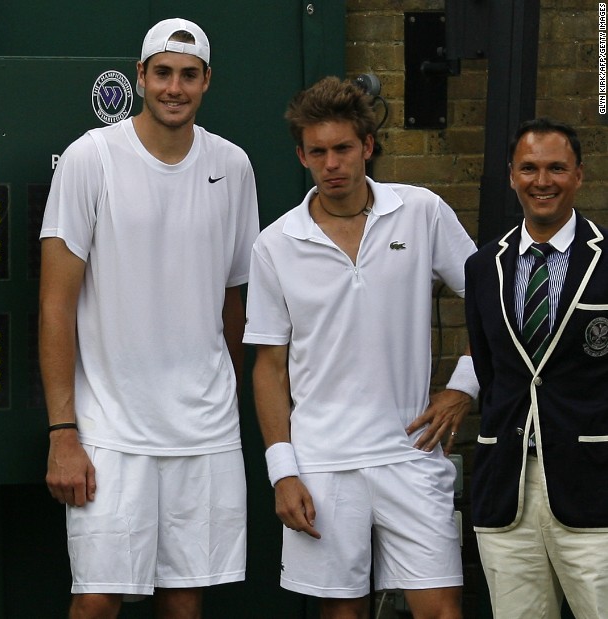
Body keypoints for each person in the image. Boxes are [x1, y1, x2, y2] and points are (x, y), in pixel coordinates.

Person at [38, 17, 259, 619]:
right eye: (162, 73)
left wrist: (225, 398)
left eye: (189, 75)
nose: (174, 87)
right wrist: (63, 433)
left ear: (207, 82)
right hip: (109, 429)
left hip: (205, 431)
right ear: (140, 77)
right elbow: (55, 304)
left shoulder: (233, 166)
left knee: (185, 603)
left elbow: (235, 300)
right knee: (97, 603)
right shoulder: (91, 157)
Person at [243, 76, 477, 619]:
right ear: (302, 155)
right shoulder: (275, 244)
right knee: (341, 615)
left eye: (343, 148)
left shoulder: (421, 212)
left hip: (410, 452)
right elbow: (268, 368)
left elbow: (493, 300)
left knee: (442, 610)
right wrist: (284, 472)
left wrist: (463, 387)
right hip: (321, 463)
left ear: (367, 146)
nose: (333, 164)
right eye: (318, 152)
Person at [464, 117, 608, 619]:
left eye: (555, 168)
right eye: (528, 168)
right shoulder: (483, 267)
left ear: (578, 176)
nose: (541, 180)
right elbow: (493, 371)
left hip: (594, 488)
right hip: (508, 489)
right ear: (511, 175)